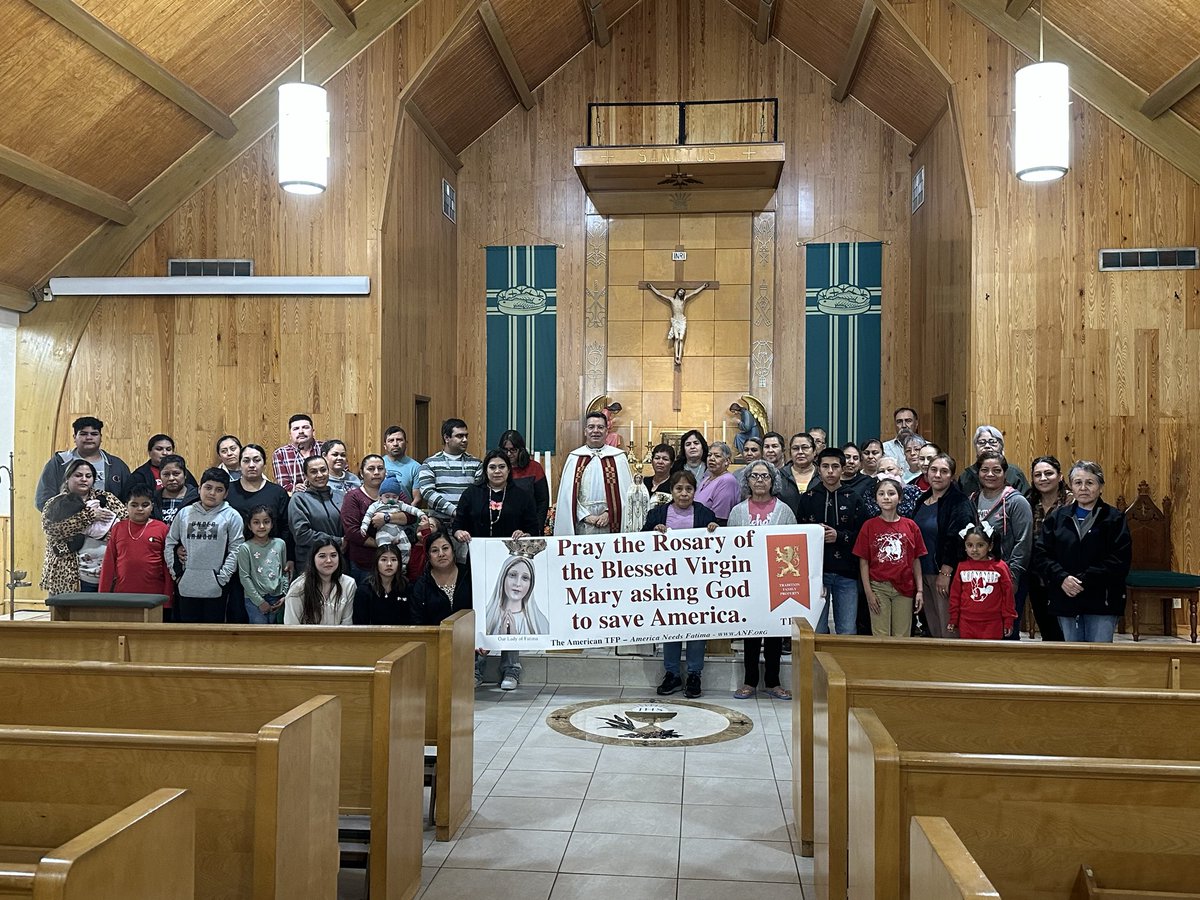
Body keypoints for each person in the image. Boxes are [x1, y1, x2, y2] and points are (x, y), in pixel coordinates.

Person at [1035, 461, 1132, 643]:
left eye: (1090, 482)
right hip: (1065, 597)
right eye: (1078, 482)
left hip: (1101, 600)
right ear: (1071, 486)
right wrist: (1062, 578)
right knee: (1071, 662)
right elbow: (1042, 555)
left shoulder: (1114, 519)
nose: (1084, 488)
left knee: (1099, 661)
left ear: (1100, 486)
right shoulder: (1057, 518)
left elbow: (1119, 560)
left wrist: (1084, 580)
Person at [646, 471, 718, 700]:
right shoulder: (657, 513)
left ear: (695, 491)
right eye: (679, 488)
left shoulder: (706, 514)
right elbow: (640, 542)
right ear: (671, 491)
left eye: (688, 489)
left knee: (696, 627)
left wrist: (715, 531)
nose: (684, 493)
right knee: (671, 626)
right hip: (667, 583)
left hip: (698, 583)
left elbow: (720, 546)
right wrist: (652, 532)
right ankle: (672, 673)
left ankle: (695, 674)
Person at [728, 460, 795, 701]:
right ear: (747, 481)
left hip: (777, 581)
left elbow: (793, 546)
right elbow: (730, 548)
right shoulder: (737, 512)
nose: (759, 480)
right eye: (754, 476)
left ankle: (774, 682)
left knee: (775, 633)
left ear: (773, 481)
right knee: (752, 633)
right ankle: (749, 681)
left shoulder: (784, 511)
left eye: (764, 476)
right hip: (749, 582)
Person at [797, 448, 866, 635]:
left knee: (847, 629)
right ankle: (819, 665)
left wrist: (840, 536)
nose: (830, 471)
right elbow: (799, 537)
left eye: (835, 466)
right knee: (817, 631)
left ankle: (844, 665)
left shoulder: (854, 498)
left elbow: (863, 535)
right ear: (818, 469)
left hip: (847, 573)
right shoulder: (808, 499)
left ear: (842, 469)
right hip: (817, 575)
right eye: (825, 466)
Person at [165, 468, 244, 623]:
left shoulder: (232, 516)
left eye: (219, 490)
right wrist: (177, 575)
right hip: (186, 585)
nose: (212, 493)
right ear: (200, 488)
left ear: (226, 494)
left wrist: (222, 578)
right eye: (208, 488)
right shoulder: (184, 513)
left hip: (216, 587)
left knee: (213, 636)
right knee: (188, 635)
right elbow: (170, 543)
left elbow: (236, 548)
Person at [853, 477, 927, 637]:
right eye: (881, 494)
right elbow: (863, 561)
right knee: (881, 635)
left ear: (900, 498)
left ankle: (901, 663)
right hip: (878, 586)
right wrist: (868, 592)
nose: (886, 497)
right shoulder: (869, 526)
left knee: (902, 634)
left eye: (891, 493)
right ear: (876, 499)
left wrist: (919, 590)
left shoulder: (910, 526)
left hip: (905, 587)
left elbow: (916, 560)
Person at [971, 450, 1034, 640]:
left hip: (1008, 576)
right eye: (985, 470)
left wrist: (1013, 576)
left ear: (1005, 473)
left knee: (1006, 631)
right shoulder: (972, 499)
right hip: (980, 576)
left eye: (996, 470)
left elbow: (1023, 542)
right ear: (978, 473)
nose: (990, 475)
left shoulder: (1017, 502)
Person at [40, 459, 127, 595]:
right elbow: (52, 530)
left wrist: (111, 535)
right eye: (78, 475)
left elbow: (125, 523)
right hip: (67, 574)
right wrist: (88, 516)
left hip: (106, 572)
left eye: (88, 476)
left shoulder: (107, 498)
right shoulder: (55, 502)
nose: (84, 479)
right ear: (68, 477)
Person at [914, 453, 976, 637]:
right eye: (933, 470)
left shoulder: (959, 502)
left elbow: (958, 539)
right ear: (927, 473)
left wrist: (946, 571)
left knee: (949, 628)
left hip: (944, 574)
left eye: (944, 471)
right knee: (933, 627)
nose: (938, 475)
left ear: (952, 476)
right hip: (921, 572)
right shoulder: (921, 501)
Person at [554, 412, 634, 535]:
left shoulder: (618, 458)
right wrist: (585, 516)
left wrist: (609, 513)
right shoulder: (574, 458)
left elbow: (626, 494)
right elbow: (568, 497)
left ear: (607, 431)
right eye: (591, 427)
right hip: (583, 523)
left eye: (600, 427)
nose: (595, 431)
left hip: (611, 522)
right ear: (585, 431)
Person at [98, 484, 173, 611]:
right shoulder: (118, 528)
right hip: (122, 594)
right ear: (127, 505)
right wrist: (103, 595)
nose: (139, 509)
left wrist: (167, 599)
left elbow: (167, 566)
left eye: (145, 505)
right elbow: (109, 563)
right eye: (134, 505)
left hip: (155, 595)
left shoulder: (162, 529)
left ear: (152, 506)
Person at [36, 416, 132, 510]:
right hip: (69, 523)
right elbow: (43, 500)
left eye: (94, 434)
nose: (89, 438)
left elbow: (129, 499)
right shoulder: (59, 463)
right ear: (74, 437)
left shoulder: (117, 465)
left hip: (109, 522)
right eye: (83, 434)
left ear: (101, 437)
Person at [226, 444, 293, 575]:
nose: (251, 465)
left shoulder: (278, 492)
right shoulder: (227, 491)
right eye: (246, 460)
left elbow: (286, 527)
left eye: (257, 460)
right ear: (239, 464)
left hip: (269, 560)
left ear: (264, 463)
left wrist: (289, 557)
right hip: (232, 560)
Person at [1024, 455, 1070, 641]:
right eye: (1038, 475)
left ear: (1060, 476)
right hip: (1037, 574)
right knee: (1047, 628)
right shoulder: (1028, 502)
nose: (1043, 478)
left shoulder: (1072, 502)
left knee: (1066, 631)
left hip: (1064, 573)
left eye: (1048, 473)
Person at [453, 450, 538, 544]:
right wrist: (459, 533)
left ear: (509, 470)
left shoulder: (522, 496)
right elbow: (457, 525)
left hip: (513, 552)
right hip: (478, 551)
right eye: (492, 467)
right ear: (486, 470)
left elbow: (533, 528)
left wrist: (525, 535)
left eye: (502, 467)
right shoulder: (471, 493)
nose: (497, 471)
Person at [947, 523, 1016, 639]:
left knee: (990, 655)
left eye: (980, 545)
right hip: (966, 622)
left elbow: (1008, 596)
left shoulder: (1000, 567)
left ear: (990, 546)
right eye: (969, 545)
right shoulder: (961, 567)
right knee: (969, 655)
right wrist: (954, 618)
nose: (974, 550)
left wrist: (1008, 620)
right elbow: (955, 595)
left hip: (992, 622)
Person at [355, 544, 448, 626]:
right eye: (383, 560)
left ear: (399, 563)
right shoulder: (364, 590)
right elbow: (360, 624)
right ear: (376, 563)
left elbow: (413, 618)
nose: (389, 564)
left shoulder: (408, 588)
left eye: (394, 560)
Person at [417, 418, 482, 530]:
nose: (465, 440)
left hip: (468, 525)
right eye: (460, 436)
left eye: (466, 436)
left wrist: (463, 514)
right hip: (439, 525)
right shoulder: (430, 463)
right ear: (446, 438)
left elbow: (480, 493)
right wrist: (454, 511)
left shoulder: (476, 463)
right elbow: (427, 492)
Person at [341, 454, 396, 585]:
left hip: (392, 562)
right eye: (371, 469)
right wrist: (382, 543)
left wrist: (387, 518)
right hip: (363, 563)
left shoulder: (394, 492)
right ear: (361, 473)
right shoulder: (353, 497)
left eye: (380, 468)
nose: (376, 472)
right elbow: (352, 531)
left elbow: (410, 516)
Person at [288, 455, 344, 572]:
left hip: (338, 561)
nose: (320, 475)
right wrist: (338, 541)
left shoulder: (341, 496)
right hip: (310, 564)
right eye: (313, 472)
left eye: (323, 470)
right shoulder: (299, 499)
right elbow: (302, 535)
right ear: (306, 476)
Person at [283, 538, 356, 625]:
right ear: (313, 559)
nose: (329, 560)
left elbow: (347, 624)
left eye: (333, 555)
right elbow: (291, 626)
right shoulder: (298, 587)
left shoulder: (349, 584)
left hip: (338, 638)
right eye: (322, 556)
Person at [237, 505, 288, 624]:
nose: (261, 526)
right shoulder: (246, 548)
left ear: (272, 524)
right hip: (254, 599)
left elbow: (284, 570)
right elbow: (244, 577)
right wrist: (260, 602)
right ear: (249, 525)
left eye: (266, 522)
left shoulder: (280, 544)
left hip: (277, 597)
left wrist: (284, 594)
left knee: (275, 634)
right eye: (256, 522)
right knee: (258, 635)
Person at [361, 476, 423, 570]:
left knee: (406, 546)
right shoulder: (376, 505)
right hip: (383, 532)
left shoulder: (399, 504)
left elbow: (411, 509)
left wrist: (420, 514)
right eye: (387, 496)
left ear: (398, 496)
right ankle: (382, 568)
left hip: (399, 532)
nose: (391, 499)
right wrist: (364, 526)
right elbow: (368, 515)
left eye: (394, 497)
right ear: (381, 496)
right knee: (384, 550)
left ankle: (403, 565)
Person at [485, 554, 548, 636]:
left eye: (525, 578)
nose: (517, 583)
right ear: (503, 578)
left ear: (531, 584)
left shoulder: (540, 623)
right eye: (512, 575)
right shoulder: (486, 618)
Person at [499, 429, 549, 533]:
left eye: (513, 450)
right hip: (502, 524)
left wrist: (537, 528)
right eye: (505, 450)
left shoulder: (535, 468)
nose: (508, 454)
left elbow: (542, 501)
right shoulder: (497, 469)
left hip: (528, 525)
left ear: (521, 450)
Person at [959, 426, 1030, 495]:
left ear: (1001, 446)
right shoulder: (966, 476)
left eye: (992, 442)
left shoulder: (1014, 473)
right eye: (981, 442)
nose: (987, 446)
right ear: (975, 448)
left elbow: (1027, 501)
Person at [129, 433, 197, 494]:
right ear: (150, 452)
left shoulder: (182, 472)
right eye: (159, 449)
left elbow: (194, 494)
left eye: (168, 449)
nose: (165, 453)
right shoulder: (139, 476)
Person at [272, 413, 323, 494]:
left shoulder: (325, 448)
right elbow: (283, 485)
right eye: (296, 429)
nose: (301, 431)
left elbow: (340, 475)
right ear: (290, 435)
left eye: (305, 427)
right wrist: (295, 488)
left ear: (313, 432)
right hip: (298, 498)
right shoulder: (280, 454)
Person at [695, 441, 740, 526]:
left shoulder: (727, 481)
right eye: (709, 455)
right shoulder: (706, 478)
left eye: (717, 456)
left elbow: (720, 518)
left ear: (727, 461)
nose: (711, 458)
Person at [152, 455, 199, 526]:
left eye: (176, 474)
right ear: (160, 476)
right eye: (166, 474)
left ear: (185, 474)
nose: (171, 478)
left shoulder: (197, 498)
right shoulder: (152, 498)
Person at [382, 425, 422, 501]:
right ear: (385, 446)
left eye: (399, 440)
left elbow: (417, 500)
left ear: (406, 443)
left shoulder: (416, 467)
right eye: (391, 441)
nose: (395, 444)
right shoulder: (377, 465)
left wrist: (406, 513)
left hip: (405, 510)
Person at [323, 439, 362, 509]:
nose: (340, 458)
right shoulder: (322, 480)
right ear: (324, 456)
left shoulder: (353, 478)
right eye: (335, 454)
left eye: (343, 455)